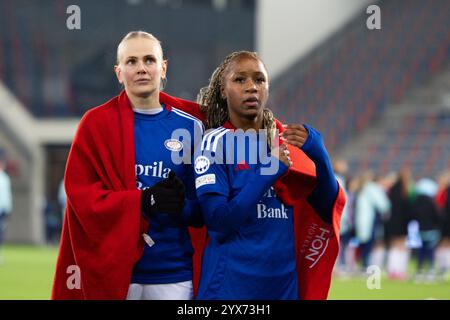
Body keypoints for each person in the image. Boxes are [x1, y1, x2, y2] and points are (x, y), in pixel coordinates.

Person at [52, 31, 205, 300]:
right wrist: (143, 202)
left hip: (174, 274)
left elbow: (204, 203)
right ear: (119, 72)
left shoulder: (193, 124)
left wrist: (183, 206)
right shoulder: (95, 124)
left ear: (163, 67)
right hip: (117, 272)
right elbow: (82, 198)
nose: (141, 69)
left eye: (149, 60)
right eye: (131, 62)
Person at [193, 51, 346, 299]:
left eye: (259, 80)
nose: (251, 87)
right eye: (240, 80)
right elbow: (219, 222)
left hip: (283, 288)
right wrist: (267, 172)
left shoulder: (283, 143)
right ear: (223, 90)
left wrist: (320, 157)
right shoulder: (215, 144)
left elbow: (325, 208)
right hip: (230, 289)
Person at [0, 150, 12, 265]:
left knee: (1, 232)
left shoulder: (5, 178)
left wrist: (8, 208)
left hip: (2, 210)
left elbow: (7, 195)